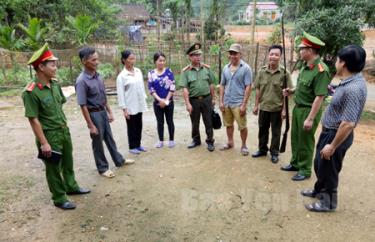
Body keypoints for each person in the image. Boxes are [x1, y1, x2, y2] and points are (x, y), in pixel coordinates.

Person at [22, 43, 90, 210]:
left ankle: (71, 186)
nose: (55, 67)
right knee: (53, 169)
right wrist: (44, 142)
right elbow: (34, 119)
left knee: (68, 161)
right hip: (49, 135)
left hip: (63, 130)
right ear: (41, 67)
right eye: (52, 64)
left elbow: (59, 105)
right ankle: (59, 198)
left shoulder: (55, 85)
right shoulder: (31, 92)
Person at [302, 45, 367, 212]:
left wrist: (332, 146)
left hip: (335, 135)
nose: (335, 62)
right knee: (320, 165)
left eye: (337, 59)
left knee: (329, 170)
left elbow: (348, 124)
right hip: (329, 132)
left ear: (343, 63)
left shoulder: (353, 89)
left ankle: (328, 202)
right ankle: (318, 190)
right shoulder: (350, 81)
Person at [75, 47, 134, 179]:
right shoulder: (81, 81)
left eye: (97, 59)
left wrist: (109, 111)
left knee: (109, 138)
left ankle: (119, 160)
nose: (97, 62)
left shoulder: (98, 76)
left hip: (102, 111)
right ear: (84, 62)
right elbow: (83, 105)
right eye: (93, 60)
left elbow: (103, 96)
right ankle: (102, 168)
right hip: (93, 114)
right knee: (98, 142)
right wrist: (91, 125)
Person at [281, 32, 331, 181]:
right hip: (298, 108)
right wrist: (292, 90)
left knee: (306, 140)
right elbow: (303, 85)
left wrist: (310, 119)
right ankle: (295, 163)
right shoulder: (306, 66)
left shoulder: (321, 70)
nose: (300, 51)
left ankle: (305, 169)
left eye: (302, 48)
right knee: (296, 138)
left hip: (309, 110)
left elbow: (319, 96)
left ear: (310, 50)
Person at [252, 45, 293, 163]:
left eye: (276, 55)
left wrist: (285, 110)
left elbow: (288, 93)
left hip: (277, 109)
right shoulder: (261, 71)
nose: (273, 57)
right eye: (271, 54)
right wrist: (256, 105)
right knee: (262, 130)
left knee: (276, 132)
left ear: (280, 57)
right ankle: (262, 149)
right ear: (268, 55)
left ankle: (274, 152)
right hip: (264, 107)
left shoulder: (285, 74)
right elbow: (258, 89)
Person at [180, 43, 216, 152]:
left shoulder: (207, 69)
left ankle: (210, 141)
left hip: (206, 99)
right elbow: (185, 88)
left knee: (208, 121)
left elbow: (211, 84)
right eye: (195, 55)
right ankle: (196, 140)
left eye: (199, 55)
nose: (198, 57)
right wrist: (187, 103)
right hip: (194, 100)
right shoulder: (185, 72)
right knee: (194, 122)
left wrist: (214, 98)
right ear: (190, 57)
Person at [219, 43, 252, 156]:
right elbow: (222, 85)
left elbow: (248, 87)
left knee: (242, 125)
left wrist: (244, 104)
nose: (233, 56)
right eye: (231, 53)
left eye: (235, 53)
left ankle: (244, 145)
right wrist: (221, 101)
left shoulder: (246, 68)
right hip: (227, 102)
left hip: (238, 102)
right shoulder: (225, 68)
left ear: (240, 54)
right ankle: (230, 142)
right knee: (228, 124)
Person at [116, 50, 148, 154]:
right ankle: (132, 146)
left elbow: (142, 87)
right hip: (130, 106)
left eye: (133, 58)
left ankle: (138, 145)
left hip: (139, 104)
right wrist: (124, 109)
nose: (132, 61)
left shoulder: (138, 71)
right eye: (130, 59)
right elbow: (121, 94)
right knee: (131, 126)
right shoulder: (121, 76)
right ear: (124, 60)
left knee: (139, 124)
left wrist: (144, 99)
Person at [147, 52, 176, 148]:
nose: (162, 62)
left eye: (163, 60)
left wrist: (166, 100)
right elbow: (151, 89)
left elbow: (172, 87)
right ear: (155, 61)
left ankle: (171, 140)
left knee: (170, 121)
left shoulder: (169, 72)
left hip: (169, 102)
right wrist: (160, 100)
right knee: (160, 122)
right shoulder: (151, 74)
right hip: (157, 103)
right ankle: (161, 141)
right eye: (160, 60)